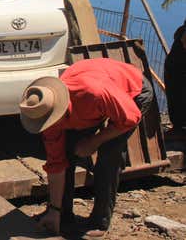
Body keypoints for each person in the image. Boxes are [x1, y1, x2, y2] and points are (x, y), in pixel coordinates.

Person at [19, 58, 154, 237]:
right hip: (95, 99)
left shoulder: (93, 94)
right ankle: (61, 214)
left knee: (109, 154)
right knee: (67, 151)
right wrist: (54, 209)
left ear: (60, 110)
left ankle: (100, 220)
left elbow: (130, 118)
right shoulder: (48, 120)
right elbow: (56, 163)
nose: (50, 126)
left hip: (131, 91)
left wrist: (95, 141)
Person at [165, 19, 186, 138]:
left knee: (176, 98)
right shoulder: (183, 33)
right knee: (177, 97)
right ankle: (178, 127)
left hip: (175, 67)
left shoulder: (181, 30)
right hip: (177, 69)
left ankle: (178, 126)